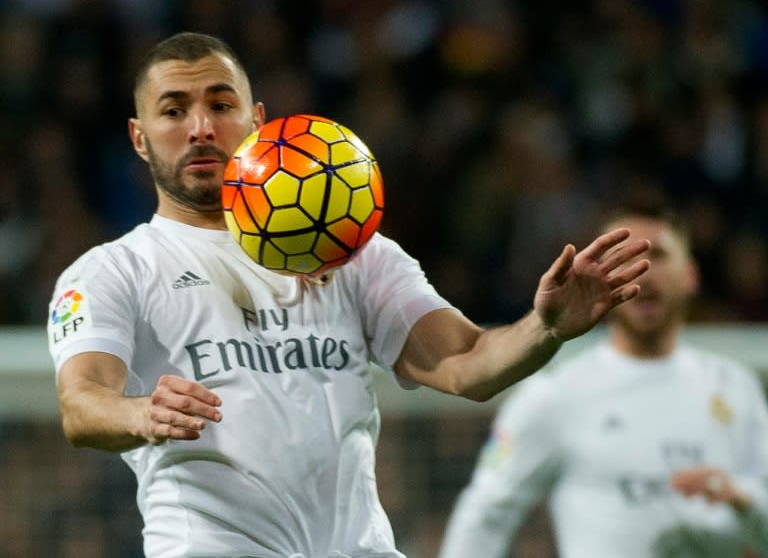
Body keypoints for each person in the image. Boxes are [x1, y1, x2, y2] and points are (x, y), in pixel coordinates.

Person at [46, 31, 650, 558]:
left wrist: (544, 327)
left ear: (257, 119)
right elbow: (81, 404)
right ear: (139, 136)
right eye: (173, 111)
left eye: (220, 104)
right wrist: (138, 411)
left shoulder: (352, 250)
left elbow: (467, 366)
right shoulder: (114, 270)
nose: (201, 127)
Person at [438, 200, 768, 558]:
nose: (643, 271)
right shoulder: (556, 394)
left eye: (657, 254)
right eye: (624, 257)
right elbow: (485, 515)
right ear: (601, 275)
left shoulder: (735, 386)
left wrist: (742, 498)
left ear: (690, 275)